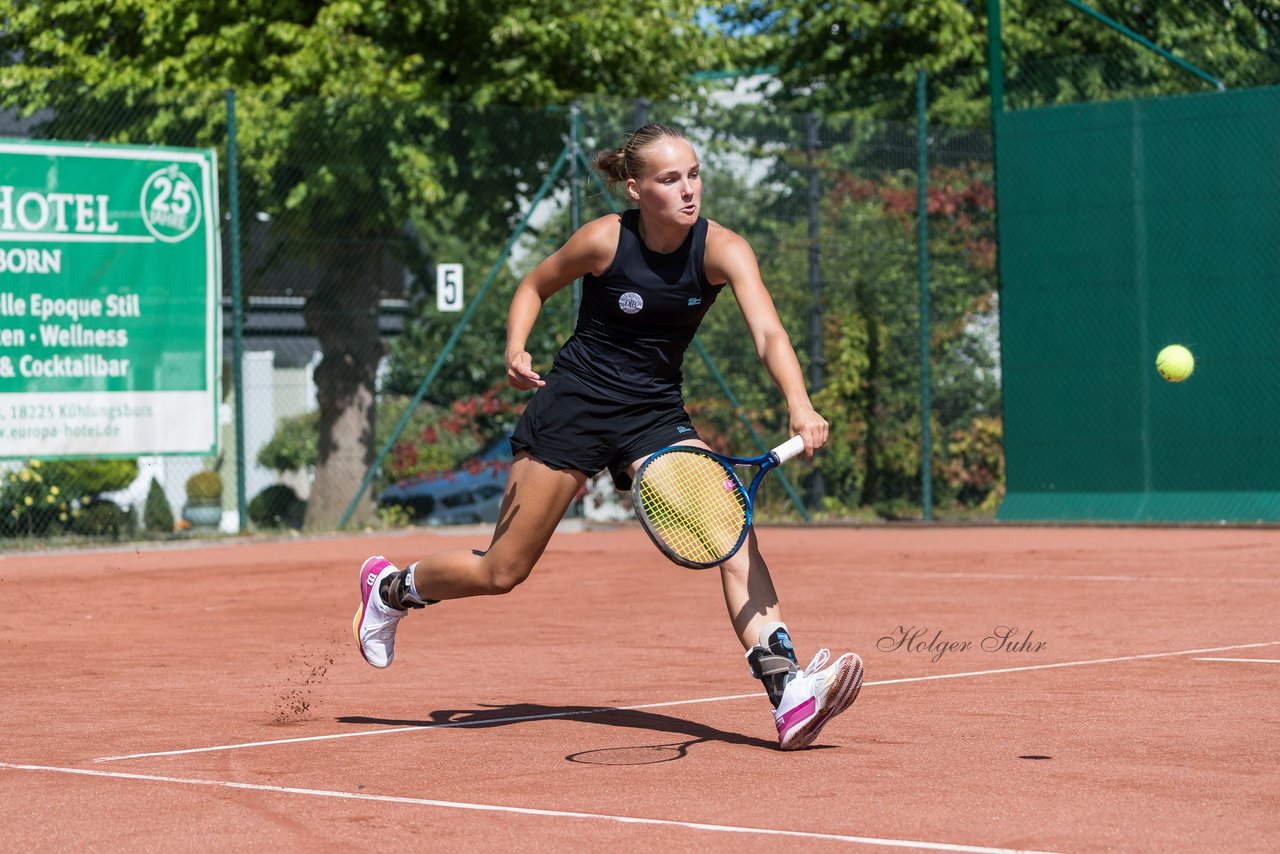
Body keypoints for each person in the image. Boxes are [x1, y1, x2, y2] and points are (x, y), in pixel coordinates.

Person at [354, 123, 863, 751]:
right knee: (502, 570)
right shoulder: (603, 239)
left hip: (653, 413)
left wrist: (799, 402)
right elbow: (533, 285)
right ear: (635, 187)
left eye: (694, 174)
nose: (688, 190)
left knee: (731, 532)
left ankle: (787, 691)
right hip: (573, 407)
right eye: (670, 179)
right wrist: (516, 348)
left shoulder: (724, 250)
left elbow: (769, 334)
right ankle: (391, 588)